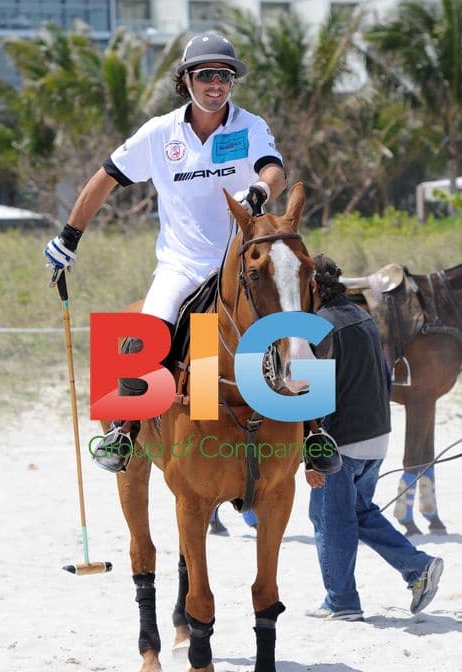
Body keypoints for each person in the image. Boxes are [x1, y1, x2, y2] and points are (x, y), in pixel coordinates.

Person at [44, 32, 286, 473]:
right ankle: (123, 430)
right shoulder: (159, 134)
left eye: (225, 76)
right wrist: (69, 236)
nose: (217, 83)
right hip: (181, 264)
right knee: (141, 340)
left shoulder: (250, 126)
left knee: (299, 328)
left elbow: (274, 169)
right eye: (207, 74)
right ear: (185, 80)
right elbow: (106, 178)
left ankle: (317, 434)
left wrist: (260, 189)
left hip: (239, 264)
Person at [304, 254, 444, 621]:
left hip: (341, 444)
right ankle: (418, 568)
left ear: (313, 286)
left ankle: (342, 601)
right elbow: (385, 377)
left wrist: (312, 456)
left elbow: (312, 401)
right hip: (377, 438)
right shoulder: (364, 316)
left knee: (331, 519)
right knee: (353, 511)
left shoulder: (315, 328)